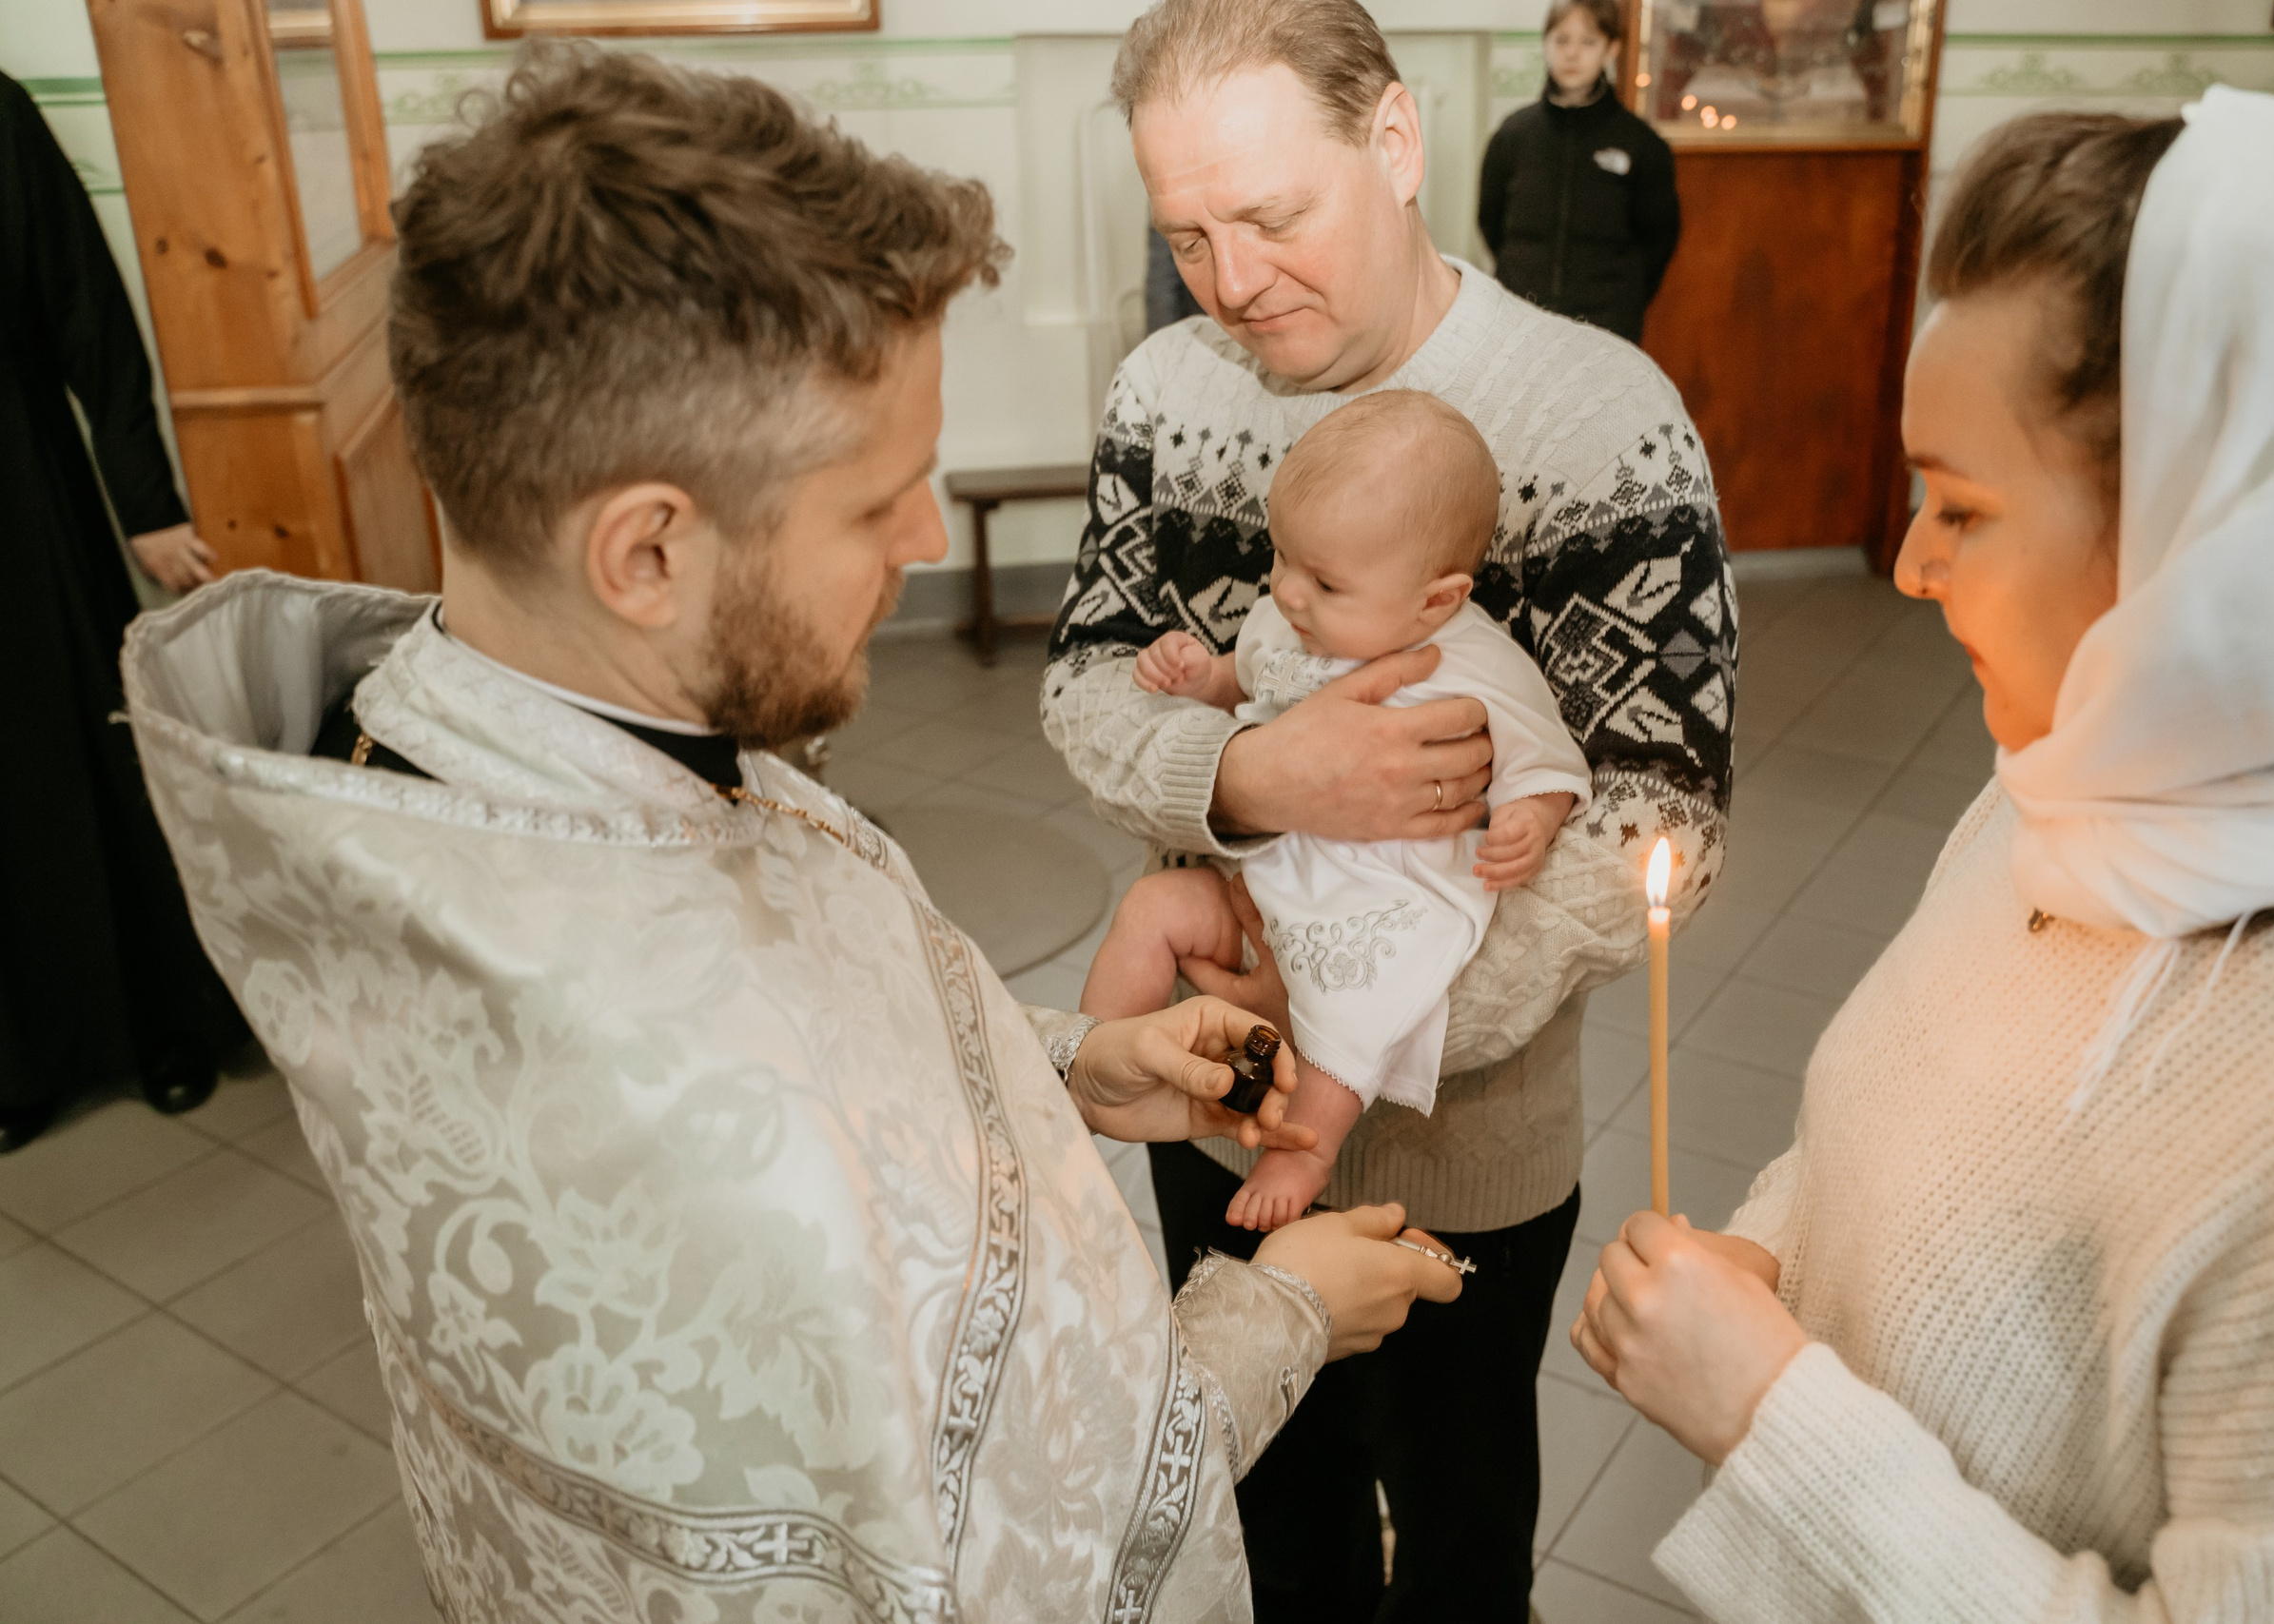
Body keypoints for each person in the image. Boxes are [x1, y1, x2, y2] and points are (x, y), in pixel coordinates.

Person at [123, 46, 1465, 1622]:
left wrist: (1062, 1064)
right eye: (873, 499)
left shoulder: (482, 741)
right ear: (646, 550)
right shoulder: (693, 1122)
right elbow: (1018, 1561)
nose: (924, 535)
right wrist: (1284, 1311)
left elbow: (814, 1037)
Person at [1571, 89, 2274, 1621]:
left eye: (1961, 505)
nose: (1908, 562)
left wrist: (1771, 1417)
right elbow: (1910, 1140)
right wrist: (1762, 1260)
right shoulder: (2071, 790)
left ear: (2212, 543)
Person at [1041, 2, 1735, 1615]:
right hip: (1221, 1100)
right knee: (1275, 1526)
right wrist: (1242, 776)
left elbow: (1660, 809)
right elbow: (1084, 683)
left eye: (1275, 218)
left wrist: (1353, 1020)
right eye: (1187, 234)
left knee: (1464, 1524)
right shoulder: (1163, 388)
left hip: (1467, 1141)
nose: (1233, 279)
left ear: (1399, 143)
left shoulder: (1596, 417)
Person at [1081, 392, 1591, 1232]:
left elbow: (1549, 758)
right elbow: (1239, 675)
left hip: (1380, 893)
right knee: (1153, 908)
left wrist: (1530, 818)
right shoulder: (1289, 619)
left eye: (1322, 579)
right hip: (1263, 867)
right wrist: (1198, 675)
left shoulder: (1479, 663)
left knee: (1348, 1011)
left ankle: (1306, 1146)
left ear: (1436, 600)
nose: (1286, 592)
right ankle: (1094, 1053)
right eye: (1282, 558)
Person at [0, 71, 248, 1151]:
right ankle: (18, 1065)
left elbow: (83, 310)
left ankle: (160, 1027)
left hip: (20, 498)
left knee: (78, 754)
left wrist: (145, 502)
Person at [1478, 0, 1679, 345]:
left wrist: (1620, 300)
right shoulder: (1512, 135)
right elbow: (1490, 220)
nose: (1572, 54)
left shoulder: (1641, 144)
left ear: (1611, 49)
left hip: (1606, 327)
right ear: (1545, 44)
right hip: (1521, 320)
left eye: (1588, 42)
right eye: (1562, 40)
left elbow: (1659, 237)